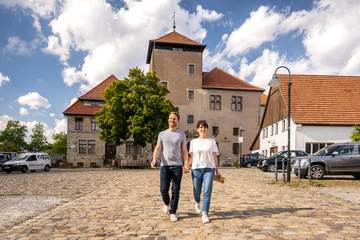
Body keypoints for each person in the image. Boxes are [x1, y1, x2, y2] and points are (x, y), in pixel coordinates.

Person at [151, 112, 189, 222]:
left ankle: (173, 212)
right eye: (170, 118)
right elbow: (158, 148)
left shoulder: (181, 134)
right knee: (163, 189)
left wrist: (186, 163)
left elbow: (184, 150)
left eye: (174, 119)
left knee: (176, 190)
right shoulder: (162, 134)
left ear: (178, 120)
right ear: (168, 120)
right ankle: (166, 203)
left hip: (177, 166)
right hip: (165, 166)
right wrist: (154, 159)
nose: (172, 120)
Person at [189, 120, 220, 224]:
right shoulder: (193, 142)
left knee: (207, 191)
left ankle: (205, 213)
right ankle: (197, 201)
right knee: (197, 190)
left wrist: (217, 170)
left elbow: (215, 156)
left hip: (209, 169)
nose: (203, 129)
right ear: (198, 129)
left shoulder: (211, 141)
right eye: (201, 127)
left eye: (205, 127)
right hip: (196, 169)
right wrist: (186, 166)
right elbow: (191, 157)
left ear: (207, 129)